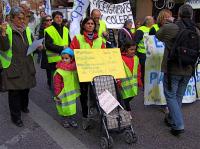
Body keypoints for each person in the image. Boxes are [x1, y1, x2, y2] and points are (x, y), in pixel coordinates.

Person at [156, 4, 200, 136]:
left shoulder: (171, 27)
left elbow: (158, 35)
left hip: (172, 69)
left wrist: (169, 23)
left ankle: (179, 124)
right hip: (188, 69)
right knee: (178, 96)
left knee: (170, 96)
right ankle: (172, 119)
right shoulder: (197, 31)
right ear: (191, 15)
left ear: (179, 14)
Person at [0, 6, 38, 127]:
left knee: (25, 89)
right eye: (19, 18)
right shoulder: (6, 30)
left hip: (27, 65)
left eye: (23, 18)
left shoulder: (26, 30)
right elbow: (4, 47)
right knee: (14, 93)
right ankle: (15, 117)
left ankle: (24, 106)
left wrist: (38, 47)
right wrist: (2, 33)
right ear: (11, 18)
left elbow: (32, 45)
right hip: (13, 66)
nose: (22, 21)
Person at [70, 17, 105, 127]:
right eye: (88, 23)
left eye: (92, 24)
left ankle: (95, 111)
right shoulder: (78, 38)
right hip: (83, 72)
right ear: (84, 25)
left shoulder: (100, 40)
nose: (90, 25)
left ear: (95, 26)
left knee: (97, 93)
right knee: (84, 94)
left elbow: (104, 55)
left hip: (97, 72)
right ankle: (85, 115)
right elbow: (71, 53)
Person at [44, 11, 70, 95]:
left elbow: (69, 42)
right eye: (57, 17)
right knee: (56, 80)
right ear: (53, 19)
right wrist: (62, 48)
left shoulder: (66, 29)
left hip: (65, 60)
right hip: (54, 60)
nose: (59, 19)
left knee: (64, 78)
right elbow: (48, 45)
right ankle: (56, 96)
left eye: (60, 17)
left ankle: (63, 94)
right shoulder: (49, 30)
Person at [53, 47, 80, 128]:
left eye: (66, 58)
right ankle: (65, 120)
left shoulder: (73, 69)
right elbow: (57, 83)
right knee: (64, 107)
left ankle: (72, 120)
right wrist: (58, 93)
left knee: (72, 107)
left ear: (71, 59)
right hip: (62, 93)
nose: (64, 60)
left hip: (71, 93)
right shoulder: (59, 70)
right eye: (63, 58)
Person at [117, 41, 142, 114]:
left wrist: (139, 80)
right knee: (125, 99)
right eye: (131, 49)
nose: (133, 51)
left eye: (134, 49)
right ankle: (127, 111)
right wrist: (118, 80)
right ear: (125, 49)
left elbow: (138, 70)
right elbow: (117, 70)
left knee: (130, 97)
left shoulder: (136, 58)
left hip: (133, 84)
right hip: (122, 84)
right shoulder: (121, 58)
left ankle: (125, 109)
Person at [135, 16, 154, 87]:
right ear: (147, 21)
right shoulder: (140, 30)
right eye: (151, 21)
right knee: (144, 70)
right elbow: (136, 42)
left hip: (151, 53)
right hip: (142, 53)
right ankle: (143, 84)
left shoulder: (153, 29)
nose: (153, 22)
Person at [39, 15, 52, 88]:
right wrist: (42, 46)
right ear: (44, 22)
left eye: (50, 20)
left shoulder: (54, 29)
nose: (49, 21)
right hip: (47, 54)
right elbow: (40, 41)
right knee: (49, 72)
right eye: (47, 20)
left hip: (56, 54)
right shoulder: (42, 30)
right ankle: (50, 83)